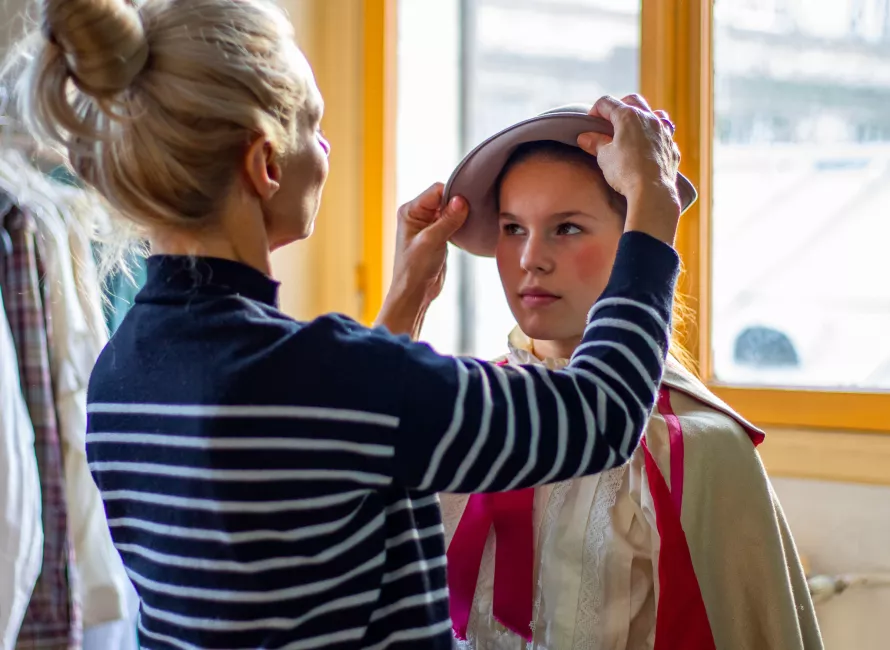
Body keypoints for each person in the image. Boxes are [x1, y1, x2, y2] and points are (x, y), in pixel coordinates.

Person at [7, 1, 683, 648]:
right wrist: (650, 205)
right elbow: (601, 415)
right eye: (313, 124)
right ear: (266, 164)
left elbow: (320, 513)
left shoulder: (118, 377)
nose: (326, 146)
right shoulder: (324, 375)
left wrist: (401, 307)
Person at [440, 105, 824, 650]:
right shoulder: (460, 409)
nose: (530, 258)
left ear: (634, 242)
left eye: (567, 228)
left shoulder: (697, 447)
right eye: (512, 228)